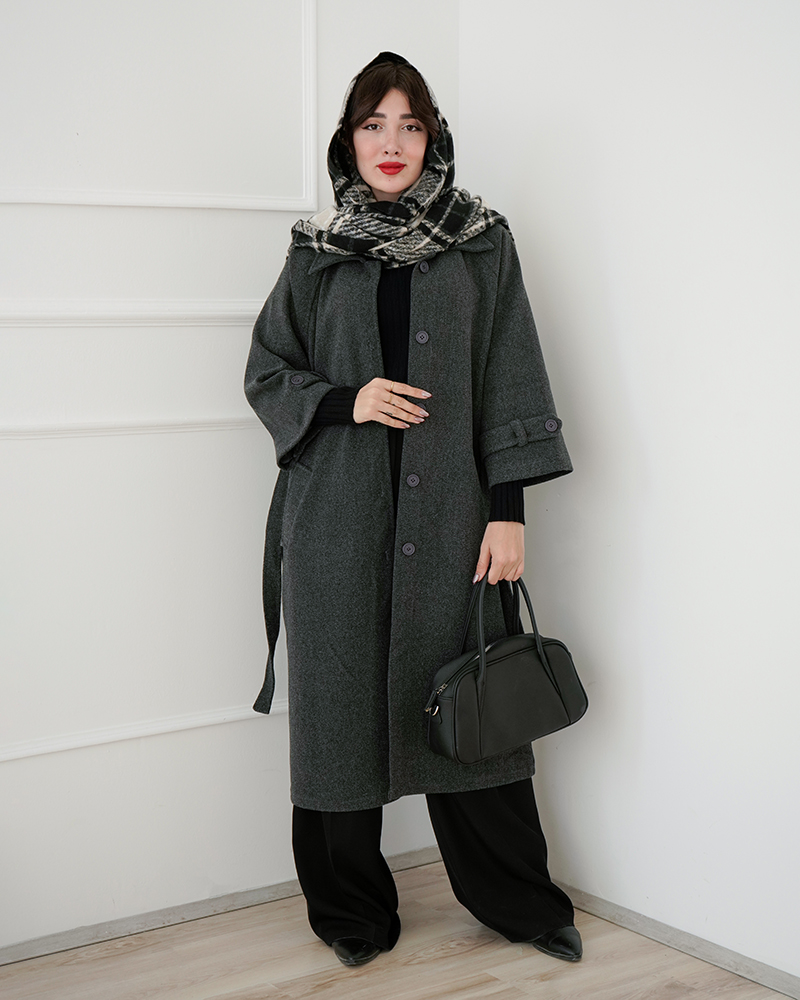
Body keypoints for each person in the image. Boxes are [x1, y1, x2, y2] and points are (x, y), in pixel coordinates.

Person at [244, 51, 581, 968]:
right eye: (373, 125)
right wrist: (345, 400)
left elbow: (510, 373)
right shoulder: (315, 253)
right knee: (337, 723)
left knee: (479, 710)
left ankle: (520, 902)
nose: (391, 143)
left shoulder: (481, 242)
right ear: (347, 142)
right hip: (335, 523)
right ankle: (352, 915)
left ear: (434, 139)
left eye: (410, 125)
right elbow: (267, 370)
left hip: (455, 524)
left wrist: (507, 512)